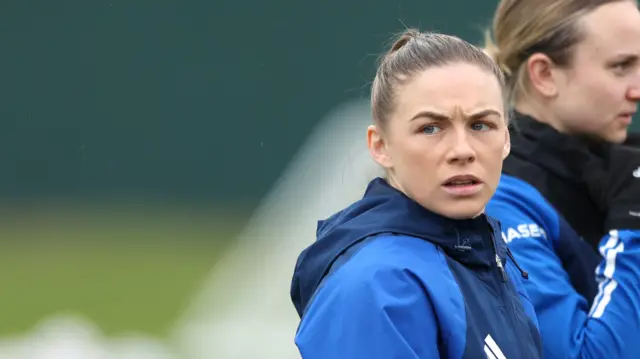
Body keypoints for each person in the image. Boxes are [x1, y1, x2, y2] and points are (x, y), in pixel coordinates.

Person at [289, 29, 542, 359]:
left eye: (481, 125)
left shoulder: (485, 254)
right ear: (380, 146)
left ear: (506, 138)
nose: (462, 150)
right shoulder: (377, 285)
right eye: (430, 128)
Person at [482, 0, 640, 357]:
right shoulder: (499, 195)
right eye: (621, 67)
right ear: (544, 75)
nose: (638, 89)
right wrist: (634, 223)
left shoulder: (613, 168)